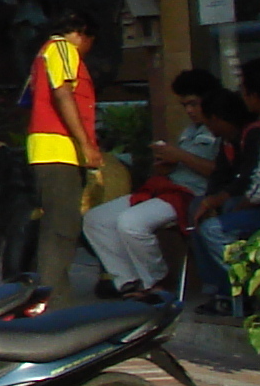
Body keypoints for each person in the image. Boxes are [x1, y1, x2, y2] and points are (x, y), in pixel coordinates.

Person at [84, 82, 227, 299]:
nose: (189, 110)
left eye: (194, 104)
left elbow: (220, 172)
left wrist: (179, 156)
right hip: (165, 188)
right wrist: (168, 162)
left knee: (131, 223)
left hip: (191, 195)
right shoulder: (189, 131)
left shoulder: (220, 129)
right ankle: (130, 282)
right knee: (96, 219)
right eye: (185, 105)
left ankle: (156, 283)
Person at [197, 57, 260, 314]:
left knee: (213, 230)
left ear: (254, 95)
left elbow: (259, 185)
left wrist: (237, 208)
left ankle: (242, 292)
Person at [22, 12, 98, 294]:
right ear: (81, 34)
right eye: (90, 41)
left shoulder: (44, 54)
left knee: (58, 225)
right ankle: (53, 298)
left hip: (52, 150)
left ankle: (48, 293)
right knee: (61, 228)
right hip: (58, 149)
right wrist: (85, 144)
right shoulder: (62, 49)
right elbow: (63, 93)